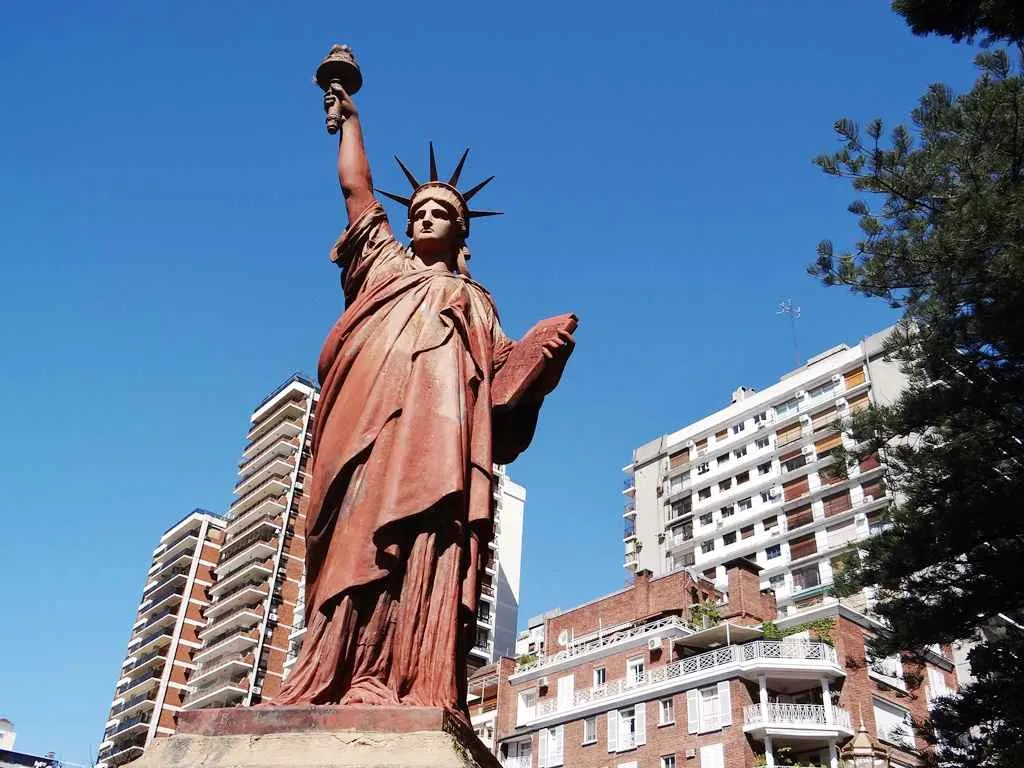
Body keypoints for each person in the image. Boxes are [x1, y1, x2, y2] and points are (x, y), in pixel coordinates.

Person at [271, 83, 574, 715]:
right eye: (418, 210)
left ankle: (408, 679)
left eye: (440, 211)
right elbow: (356, 191)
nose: (425, 216)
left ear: (461, 229)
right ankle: (337, 673)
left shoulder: (478, 302)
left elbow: (501, 396)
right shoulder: (383, 267)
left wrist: (542, 362)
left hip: (439, 450)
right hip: (367, 434)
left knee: (425, 551)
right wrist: (350, 120)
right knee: (355, 544)